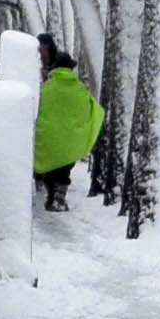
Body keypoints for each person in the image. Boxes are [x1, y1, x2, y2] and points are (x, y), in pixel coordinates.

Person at [33, 42, 106, 208]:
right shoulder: (79, 89)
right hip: (71, 140)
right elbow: (93, 109)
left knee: (51, 169)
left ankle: (53, 196)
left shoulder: (47, 88)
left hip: (50, 140)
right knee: (64, 168)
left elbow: (38, 109)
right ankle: (59, 195)